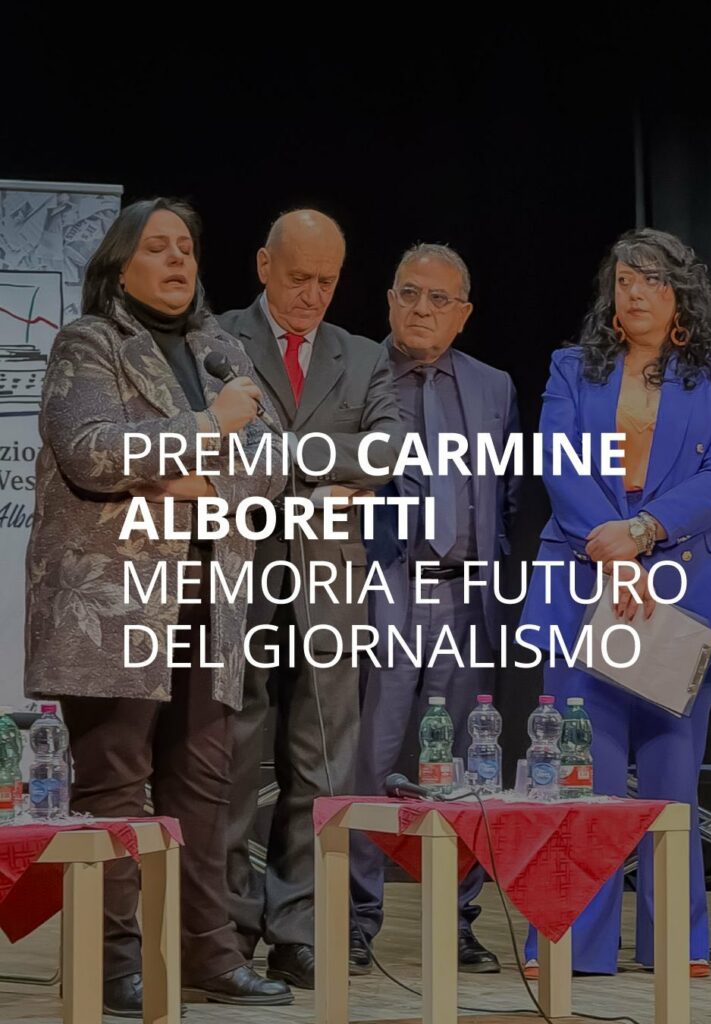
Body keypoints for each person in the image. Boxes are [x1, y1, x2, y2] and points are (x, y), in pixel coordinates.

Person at [25, 198, 293, 1012]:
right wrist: (207, 426)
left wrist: (190, 479)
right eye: (157, 247)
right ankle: (113, 963)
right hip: (115, 605)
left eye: (186, 246)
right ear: (119, 264)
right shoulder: (89, 343)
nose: (178, 259)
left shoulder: (220, 349)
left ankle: (207, 951)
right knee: (114, 784)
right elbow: (90, 450)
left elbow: (274, 461)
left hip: (211, 598)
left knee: (205, 782)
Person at [520, 227, 711, 979]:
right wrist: (616, 547)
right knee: (580, 773)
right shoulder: (571, 368)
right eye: (623, 280)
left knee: (669, 776)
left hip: (683, 586)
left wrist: (643, 531)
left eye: (651, 279)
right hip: (583, 576)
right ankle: (569, 941)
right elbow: (557, 459)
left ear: (680, 293)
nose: (634, 293)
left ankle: (674, 941)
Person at [219, 209, 403, 990]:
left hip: (329, 584)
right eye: (299, 278)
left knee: (320, 764)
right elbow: (227, 446)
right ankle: (225, 932)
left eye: (327, 281)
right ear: (264, 266)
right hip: (237, 574)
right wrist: (327, 470)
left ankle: (298, 931)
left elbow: (388, 447)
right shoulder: (216, 340)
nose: (313, 295)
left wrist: (284, 457)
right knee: (229, 759)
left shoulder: (363, 356)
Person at [350, 243, 521, 974]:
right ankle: (353, 921)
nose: (422, 309)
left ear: (463, 313)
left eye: (439, 298)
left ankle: (456, 923)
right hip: (382, 586)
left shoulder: (493, 385)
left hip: (464, 594)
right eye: (409, 293)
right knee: (368, 759)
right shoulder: (356, 370)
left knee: (463, 764)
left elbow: (505, 496)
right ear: (389, 300)